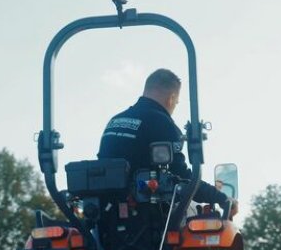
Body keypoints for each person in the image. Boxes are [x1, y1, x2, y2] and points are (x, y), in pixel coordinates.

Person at [97, 68, 237, 216]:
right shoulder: (162, 123)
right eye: (176, 102)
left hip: (103, 218)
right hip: (147, 220)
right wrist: (222, 198)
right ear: (171, 98)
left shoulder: (115, 121)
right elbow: (183, 178)